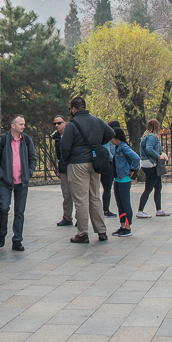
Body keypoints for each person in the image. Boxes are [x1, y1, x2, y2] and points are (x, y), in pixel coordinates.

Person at [59, 96, 114, 244]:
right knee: (95, 197)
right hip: (94, 163)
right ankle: (101, 231)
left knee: (81, 199)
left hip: (77, 164)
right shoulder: (96, 120)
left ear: (73, 109)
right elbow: (110, 133)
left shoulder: (71, 125)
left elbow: (65, 147)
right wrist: (96, 144)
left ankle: (82, 233)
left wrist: (68, 157)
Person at [0, 114, 37, 251]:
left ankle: (17, 240)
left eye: (24, 124)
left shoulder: (27, 140)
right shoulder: (2, 140)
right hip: (6, 182)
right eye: (21, 124)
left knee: (19, 211)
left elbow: (32, 159)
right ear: (13, 126)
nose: (24, 126)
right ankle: (2, 233)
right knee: (3, 208)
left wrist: (28, 173)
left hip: (22, 182)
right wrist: (2, 174)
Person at [108, 120, 139, 236]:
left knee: (125, 203)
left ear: (116, 137)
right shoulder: (117, 147)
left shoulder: (124, 147)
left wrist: (132, 169)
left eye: (112, 138)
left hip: (124, 179)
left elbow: (136, 158)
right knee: (119, 203)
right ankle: (122, 225)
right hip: (117, 179)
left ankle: (128, 227)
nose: (110, 140)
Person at [135, 119, 169, 218]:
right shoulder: (152, 136)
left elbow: (156, 149)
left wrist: (162, 153)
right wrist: (158, 156)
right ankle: (140, 211)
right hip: (151, 165)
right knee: (148, 188)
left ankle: (159, 209)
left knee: (158, 187)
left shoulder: (147, 136)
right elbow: (149, 149)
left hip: (149, 164)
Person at [50, 116, 72, 226]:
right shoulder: (57, 137)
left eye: (59, 123)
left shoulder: (71, 133)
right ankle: (67, 217)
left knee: (78, 193)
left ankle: (80, 218)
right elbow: (58, 154)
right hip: (64, 168)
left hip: (74, 166)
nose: (57, 125)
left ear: (65, 123)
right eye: (55, 124)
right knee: (66, 194)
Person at [101, 122, 125, 218]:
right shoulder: (108, 138)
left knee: (107, 188)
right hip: (106, 165)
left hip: (107, 164)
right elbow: (107, 152)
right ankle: (106, 210)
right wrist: (115, 158)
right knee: (107, 188)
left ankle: (106, 209)